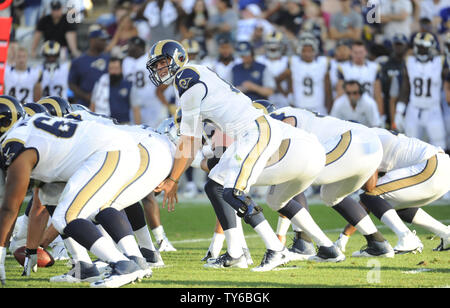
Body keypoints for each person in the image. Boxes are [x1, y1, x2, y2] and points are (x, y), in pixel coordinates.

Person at [147, 40, 318, 271]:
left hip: (254, 131)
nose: (160, 69)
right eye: (156, 66)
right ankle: (236, 253)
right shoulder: (196, 71)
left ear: (176, 58)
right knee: (215, 186)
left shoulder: (186, 80)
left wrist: (173, 179)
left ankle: (276, 250)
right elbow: (194, 140)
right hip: (247, 133)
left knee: (234, 192)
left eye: (162, 63)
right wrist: (175, 177)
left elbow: (188, 140)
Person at [0, 94, 174, 287]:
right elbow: (42, 204)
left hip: (116, 150)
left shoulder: (16, 141)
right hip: (117, 148)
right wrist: (32, 250)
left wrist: (4, 252)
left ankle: (125, 264)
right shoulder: (36, 134)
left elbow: (11, 207)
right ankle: (85, 267)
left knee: (69, 215)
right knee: (57, 203)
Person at [270, 106, 395, 258]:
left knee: (296, 175)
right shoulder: (292, 114)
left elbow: (289, 170)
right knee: (331, 195)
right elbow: (369, 188)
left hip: (352, 141)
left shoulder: (277, 119)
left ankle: (303, 242)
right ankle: (378, 243)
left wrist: (280, 233)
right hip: (371, 143)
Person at [335, 127, 450, 253]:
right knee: (391, 200)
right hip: (439, 167)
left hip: (431, 166)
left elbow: (370, 190)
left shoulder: (362, 141)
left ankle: (406, 237)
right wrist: (345, 236)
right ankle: (445, 233)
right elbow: (372, 202)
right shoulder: (369, 135)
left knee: (369, 194)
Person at [396, 32, 447, 149]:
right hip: (413, 109)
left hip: (433, 110)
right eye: (419, 47)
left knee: (440, 145)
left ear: (431, 48)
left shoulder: (440, 62)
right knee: (409, 147)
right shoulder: (409, 62)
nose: (421, 50)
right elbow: (405, 88)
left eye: (424, 48)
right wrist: (399, 111)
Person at [279, 32, 332, 114]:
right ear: (300, 50)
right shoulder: (293, 62)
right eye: (304, 51)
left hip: (318, 107)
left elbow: (328, 89)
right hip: (299, 106)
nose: (307, 54)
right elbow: (279, 79)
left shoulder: (323, 63)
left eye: (310, 51)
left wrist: (329, 107)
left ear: (315, 51)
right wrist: (287, 95)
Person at [123, 36, 166, 128]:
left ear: (139, 47)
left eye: (132, 46)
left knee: (155, 132)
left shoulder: (150, 59)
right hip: (133, 106)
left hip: (152, 103)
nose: (129, 49)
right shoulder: (126, 61)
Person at [336, 40, 384, 118]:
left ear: (366, 52)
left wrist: (380, 114)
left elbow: (377, 94)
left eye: (361, 52)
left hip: (368, 109)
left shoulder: (374, 67)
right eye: (356, 53)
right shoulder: (344, 68)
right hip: (349, 109)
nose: (358, 55)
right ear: (351, 52)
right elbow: (340, 94)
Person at [68, 24, 110, 108]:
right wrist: (85, 95)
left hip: (105, 105)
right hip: (84, 105)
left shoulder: (109, 59)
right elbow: (71, 83)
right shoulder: (78, 61)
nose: (105, 43)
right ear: (92, 40)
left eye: (106, 40)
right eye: (102, 40)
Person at [91, 57, 140, 124]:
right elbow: (93, 104)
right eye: (111, 69)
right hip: (103, 124)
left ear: (121, 69)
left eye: (116, 68)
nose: (113, 71)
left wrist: (138, 129)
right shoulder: (101, 83)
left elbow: (136, 109)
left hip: (123, 125)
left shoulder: (129, 85)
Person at [379, 33, 409, 130]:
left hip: (408, 105)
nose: (399, 47)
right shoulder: (386, 64)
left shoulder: (409, 64)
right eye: (397, 45)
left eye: (401, 45)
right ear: (393, 45)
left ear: (406, 46)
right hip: (389, 104)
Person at [256, 30, 292, 108]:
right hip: (265, 96)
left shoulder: (287, 60)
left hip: (282, 96)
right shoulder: (259, 59)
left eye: (276, 43)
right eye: (270, 43)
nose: (273, 46)